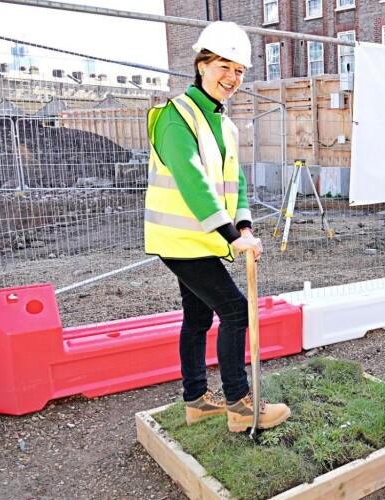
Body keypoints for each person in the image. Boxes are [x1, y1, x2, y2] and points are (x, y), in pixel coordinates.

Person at [144, 21, 291, 432]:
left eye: (239, 70)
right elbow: (193, 184)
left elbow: (234, 181)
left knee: (197, 317)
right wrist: (231, 237)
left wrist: (242, 226)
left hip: (203, 239)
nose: (232, 77)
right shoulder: (176, 117)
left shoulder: (224, 123)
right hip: (180, 240)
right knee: (235, 310)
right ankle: (240, 407)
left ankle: (196, 401)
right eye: (224, 66)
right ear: (202, 64)